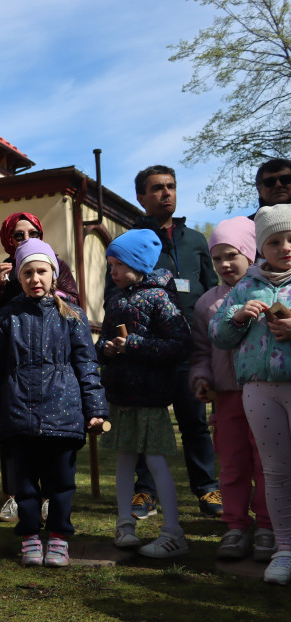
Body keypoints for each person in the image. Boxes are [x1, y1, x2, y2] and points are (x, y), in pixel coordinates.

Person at [0, 240, 107, 567]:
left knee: (60, 483)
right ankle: (31, 537)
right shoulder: (7, 317)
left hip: (63, 413)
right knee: (23, 483)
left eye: (42, 271)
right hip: (17, 414)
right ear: (19, 277)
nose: (36, 278)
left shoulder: (72, 315)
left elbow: (87, 365)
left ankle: (60, 539)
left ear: (54, 274)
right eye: (28, 272)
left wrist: (95, 409)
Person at [104, 165, 221, 519]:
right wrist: (123, 344)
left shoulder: (194, 240)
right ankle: (145, 493)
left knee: (194, 421)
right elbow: (114, 295)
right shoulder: (128, 242)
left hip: (188, 346)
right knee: (142, 425)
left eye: (170, 186)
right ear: (141, 197)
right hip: (144, 354)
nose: (166, 193)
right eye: (157, 188)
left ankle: (207, 489)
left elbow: (210, 286)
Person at [0, 212, 79, 525]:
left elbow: (72, 300)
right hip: (12, 365)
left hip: (51, 363)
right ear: (8, 239)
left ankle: (47, 500)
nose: (26, 238)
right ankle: (12, 497)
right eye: (19, 235)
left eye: (32, 232)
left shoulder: (55, 264)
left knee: (50, 435)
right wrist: (0, 286)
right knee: (13, 434)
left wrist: (45, 286)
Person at [97, 230, 192, 558]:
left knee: (155, 461)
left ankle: (173, 532)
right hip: (121, 395)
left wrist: (134, 344)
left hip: (150, 397)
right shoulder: (116, 299)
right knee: (124, 459)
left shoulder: (160, 298)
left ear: (137, 264)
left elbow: (180, 344)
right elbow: (105, 337)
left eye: (117, 265)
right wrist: (105, 350)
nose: (113, 272)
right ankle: (125, 524)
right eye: (110, 265)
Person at [210, 205, 291, 584]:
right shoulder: (246, 285)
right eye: (275, 241)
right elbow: (219, 335)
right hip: (257, 389)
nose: (285, 247)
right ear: (261, 247)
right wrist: (239, 316)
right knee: (275, 472)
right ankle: (284, 549)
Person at [191, 217, 273, 561]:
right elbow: (200, 352)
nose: (224, 264)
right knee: (234, 463)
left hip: (267, 394)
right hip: (227, 399)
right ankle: (236, 526)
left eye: (232, 255)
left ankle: (269, 527)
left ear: (250, 253)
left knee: (267, 463)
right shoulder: (207, 304)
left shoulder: (270, 292)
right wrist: (201, 379)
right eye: (217, 258)